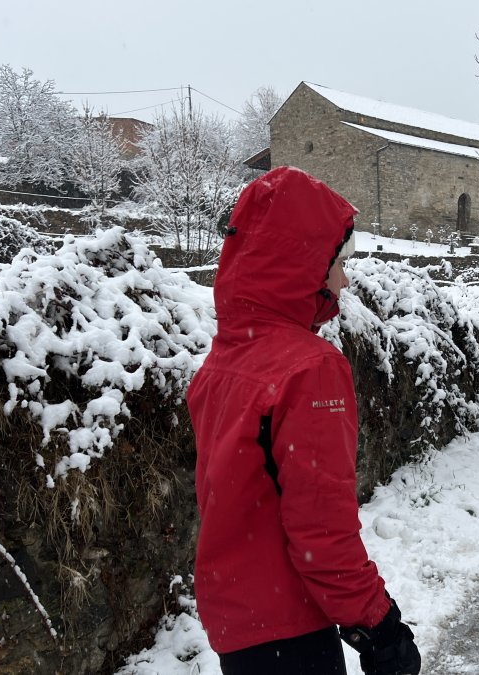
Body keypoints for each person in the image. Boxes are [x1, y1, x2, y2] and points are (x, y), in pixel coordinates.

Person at [186, 166, 420, 675]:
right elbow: (320, 526)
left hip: (236, 618)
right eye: (337, 261)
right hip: (288, 629)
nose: (344, 276)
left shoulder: (224, 360)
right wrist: (378, 624)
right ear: (303, 265)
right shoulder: (309, 369)